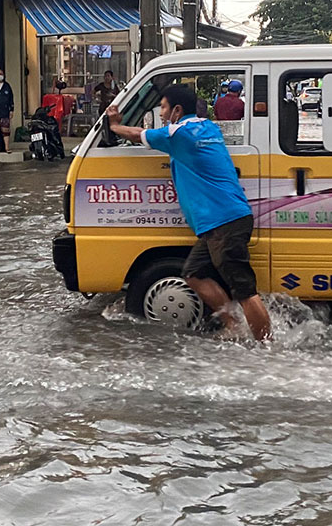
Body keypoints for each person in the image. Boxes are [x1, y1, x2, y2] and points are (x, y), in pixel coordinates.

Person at [105, 84, 272, 341]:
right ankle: (233, 324)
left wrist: (115, 126)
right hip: (221, 221)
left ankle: (267, 347)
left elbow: (139, 134)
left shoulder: (178, 134)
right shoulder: (208, 127)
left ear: (177, 110)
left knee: (245, 290)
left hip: (224, 220)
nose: (161, 114)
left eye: (162, 107)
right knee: (193, 274)